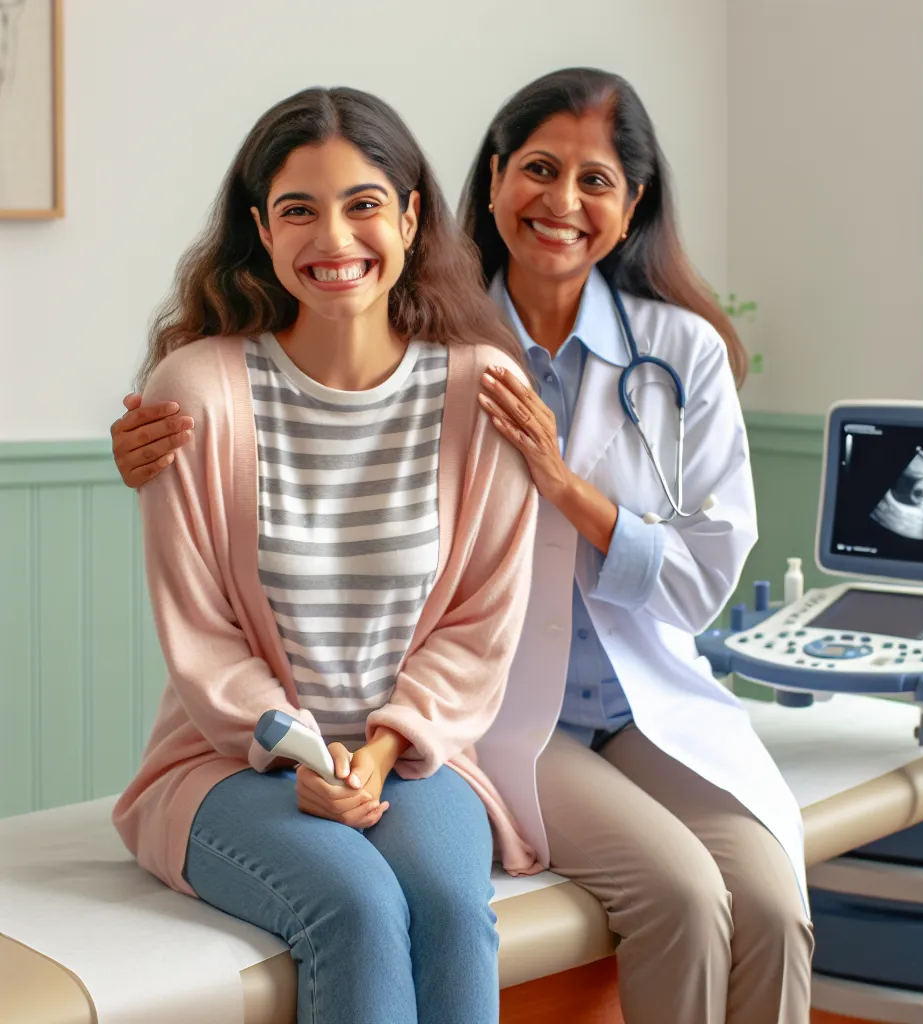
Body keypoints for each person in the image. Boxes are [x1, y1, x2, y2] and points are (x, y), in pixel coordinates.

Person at [111, 69, 812, 1024]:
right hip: (366, 738)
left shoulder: (551, 372)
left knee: (757, 902)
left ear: (408, 217)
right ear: (489, 183)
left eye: (596, 180)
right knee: (397, 904)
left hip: (503, 725)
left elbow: (654, 589)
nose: (562, 203)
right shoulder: (220, 387)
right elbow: (204, 630)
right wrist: (318, 754)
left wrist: (565, 484)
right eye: (538, 170)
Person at [110, 85, 542, 1024]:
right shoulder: (197, 393)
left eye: (363, 205)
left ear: (412, 216)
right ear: (262, 230)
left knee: (451, 909)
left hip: (416, 757)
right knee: (353, 904)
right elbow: (203, 638)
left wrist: (380, 752)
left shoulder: (486, 391)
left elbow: (478, 626)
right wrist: (298, 747)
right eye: (299, 210)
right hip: (230, 762)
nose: (333, 237)